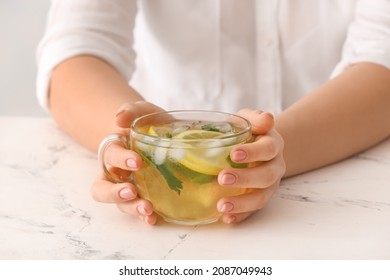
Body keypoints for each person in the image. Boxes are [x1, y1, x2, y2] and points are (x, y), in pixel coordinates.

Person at [36, 0, 390, 225]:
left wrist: (265, 155)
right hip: (162, 162)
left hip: (337, 188)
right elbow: (75, 50)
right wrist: (129, 145)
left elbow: (382, 57)